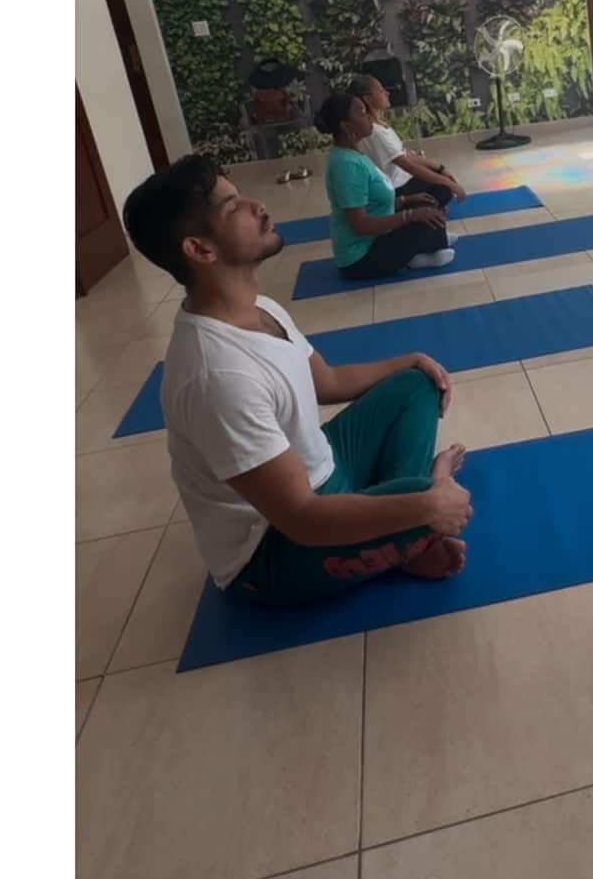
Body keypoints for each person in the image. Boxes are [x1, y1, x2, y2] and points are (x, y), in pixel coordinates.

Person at [121, 154, 473, 605]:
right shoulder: (216, 376)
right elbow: (303, 518)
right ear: (201, 249)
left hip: (323, 470)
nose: (258, 205)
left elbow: (325, 382)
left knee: (416, 383)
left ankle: (399, 533)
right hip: (275, 551)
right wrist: (429, 499)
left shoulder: (261, 308)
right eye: (234, 208)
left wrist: (409, 359)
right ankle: (408, 527)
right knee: (428, 498)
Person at [317, 87, 456, 280]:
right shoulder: (347, 165)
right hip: (361, 259)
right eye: (361, 113)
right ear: (346, 126)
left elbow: (372, 203)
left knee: (427, 202)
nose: (368, 117)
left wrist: (406, 200)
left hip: (376, 238)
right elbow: (361, 225)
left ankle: (428, 244)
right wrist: (411, 215)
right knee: (421, 215)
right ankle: (421, 253)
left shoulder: (354, 154)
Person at [351, 71, 467, 210]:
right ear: (368, 99)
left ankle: (424, 207)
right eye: (381, 90)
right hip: (394, 189)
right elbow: (407, 165)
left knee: (438, 179)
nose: (387, 93)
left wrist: (441, 169)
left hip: (402, 179)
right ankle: (408, 209)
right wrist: (449, 183)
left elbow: (405, 154)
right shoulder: (374, 131)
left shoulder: (380, 125)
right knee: (443, 189)